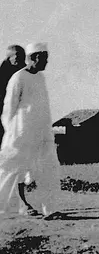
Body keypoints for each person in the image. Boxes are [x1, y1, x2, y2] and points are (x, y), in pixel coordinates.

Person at [0, 43, 62, 220]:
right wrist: (13, 134)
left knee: (49, 170)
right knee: (9, 170)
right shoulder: (17, 78)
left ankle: (51, 210)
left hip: (42, 134)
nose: (47, 63)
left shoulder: (40, 78)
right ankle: (7, 207)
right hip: (20, 135)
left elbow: (44, 108)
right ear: (35, 57)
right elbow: (8, 109)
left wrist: (47, 132)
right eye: (45, 59)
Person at [0, 45, 26, 142]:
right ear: (10, 58)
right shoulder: (3, 73)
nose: (21, 59)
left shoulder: (23, 71)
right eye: (18, 56)